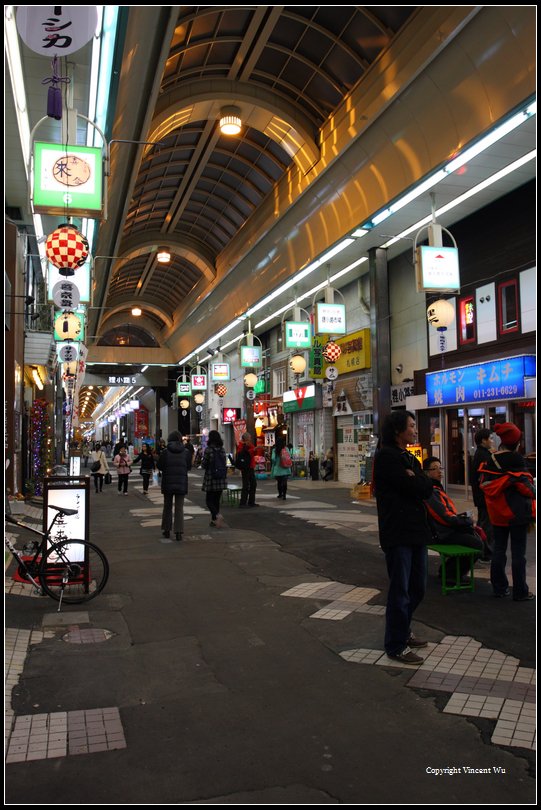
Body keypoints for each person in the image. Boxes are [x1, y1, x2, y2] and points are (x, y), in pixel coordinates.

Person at [373, 411, 433, 665]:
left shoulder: (408, 457)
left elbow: (426, 488)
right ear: (397, 430)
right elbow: (416, 487)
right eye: (410, 426)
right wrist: (417, 480)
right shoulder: (387, 457)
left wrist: (417, 478)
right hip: (398, 533)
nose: (414, 430)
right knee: (400, 591)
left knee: (417, 587)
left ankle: (403, 629)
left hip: (416, 531)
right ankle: (395, 645)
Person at [478, 422, 536, 601]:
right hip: (516, 513)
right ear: (516, 442)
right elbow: (527, 488)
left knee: (498, 550)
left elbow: (486, 484)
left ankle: (500, 588)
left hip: (497, 513)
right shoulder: (515, 459)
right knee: (518, 553)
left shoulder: (489, 459)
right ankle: (520, 591)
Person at [422, 457, 484, 583]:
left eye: (440, 468)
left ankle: (449, 571)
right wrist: (466, 521)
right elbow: (445, 517)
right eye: (435, 468)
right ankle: (451, 574)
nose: (440, 471)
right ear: (427, 472)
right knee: (477, 545)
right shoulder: (431, 491)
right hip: (442, 534)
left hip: (445, 530)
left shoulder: (436, 489)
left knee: (476, 537)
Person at [157, 431, 191, 540]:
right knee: (179, 508)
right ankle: (179, 532)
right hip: (181, 482)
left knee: (167, 506)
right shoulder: (186, 452)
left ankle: (166, 530)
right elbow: (189, 467)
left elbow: (160, 466)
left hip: (168, 483)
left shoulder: (165, 452)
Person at [470, 428, 495, 560]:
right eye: (490, 438)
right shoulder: (483, 456)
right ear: (483, 440)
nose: (492, 441)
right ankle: (485, 552)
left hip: (481, 496)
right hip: (485, 496)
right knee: (486, 525)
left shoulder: (481, 453)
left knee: (483, 523)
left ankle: (482, 550)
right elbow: (484, 478)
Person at [201, 430, 228, 527]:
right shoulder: (222, 449)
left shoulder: (208, 450)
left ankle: (217, 515)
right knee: (216, 500)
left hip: (211, 478)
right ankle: (214, 520)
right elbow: (224, 463)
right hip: (221, 478)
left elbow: (204, 464)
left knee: (209, 500)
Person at [236, 432, 259, 508]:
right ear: (245, 438)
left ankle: (251, 502)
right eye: (249, 438)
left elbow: (253, 452)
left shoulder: (250, 445)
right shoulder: (241, 445)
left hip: (251, 466)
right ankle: (243, 503)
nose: (250, 439)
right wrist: (253, 449)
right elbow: (244, 454)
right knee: (246, 485)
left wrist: (255, 449)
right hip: (245, 467)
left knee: (253, 484)